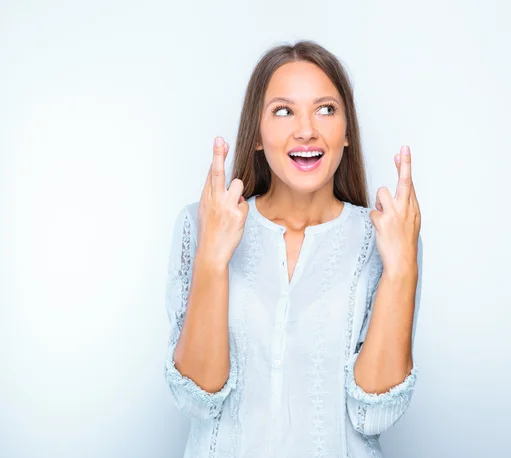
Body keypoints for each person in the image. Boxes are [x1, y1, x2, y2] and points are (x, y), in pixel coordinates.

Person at [164, 40, 423, 458]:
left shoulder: (387, 235)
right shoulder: (202, 224)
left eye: (325, 109)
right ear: (258, 137)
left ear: (346, 135)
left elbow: (373, 417)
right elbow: (198, 398)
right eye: (283, 110)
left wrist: (402, 270)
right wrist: (212, 259)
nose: (306, 129)